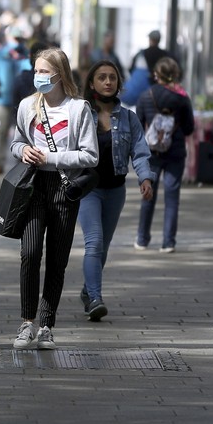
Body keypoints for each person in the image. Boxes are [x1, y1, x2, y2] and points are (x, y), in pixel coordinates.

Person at [10, 47, 98, 350]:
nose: (38, 77)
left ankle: (47, 325)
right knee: (30, 253)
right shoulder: (27, 106)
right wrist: (22, 151)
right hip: (33, 185)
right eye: (36, 71)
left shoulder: (78, 109)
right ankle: (26, 323)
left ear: (60, 74)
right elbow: (17, 141)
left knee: (57, 260)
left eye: (44, 72)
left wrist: (53, 156)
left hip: (64, 186)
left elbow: (91, 155)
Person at [77, 60, 155, 321]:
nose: (108, 82)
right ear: (92, 83)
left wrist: (146, 179)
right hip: (88, 189)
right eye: (102, 77)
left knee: (104, 247)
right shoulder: (81, 114)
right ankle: (96, 299)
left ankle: (88, 290)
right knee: (94, 242)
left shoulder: (129, 118)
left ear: (119, 83)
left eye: (112, 77)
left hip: (115, 190)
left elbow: (141, 152)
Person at [134, 57, 195, 253]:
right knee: (172, 196)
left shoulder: (146, 96)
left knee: (147, 194)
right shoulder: (183, 98)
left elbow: (138, 125)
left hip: (150, 153)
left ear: (156, 75)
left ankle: (142, 239)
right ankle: (168, 242)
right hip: (175, 152)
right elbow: (189, 128)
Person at [0, 26, 32, 174]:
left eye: (19, 39)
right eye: (14, 38)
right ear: (8, 38)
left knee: (24, 133)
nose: (16, 42)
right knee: (2, 132)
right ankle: (0, 162)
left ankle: (22, 164)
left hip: (24, 101)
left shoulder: (27, 55)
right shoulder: (0, 54)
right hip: (4, 100)